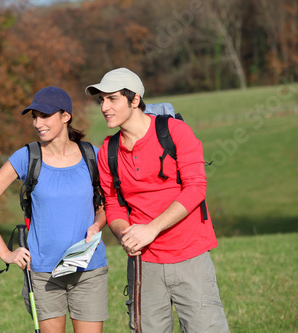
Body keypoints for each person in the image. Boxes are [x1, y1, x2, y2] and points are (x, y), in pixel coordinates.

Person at [85, 68, 230, 333]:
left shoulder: (176, 132)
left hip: (190, 256)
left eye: (112, 99)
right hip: (144, 263)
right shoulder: (109, 149)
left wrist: (151, 229)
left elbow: (196, 188)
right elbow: (114, 203)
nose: (104, 107)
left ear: (135, 100)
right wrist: (123, 234)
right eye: (101, 100)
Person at [0, 86, 109, 333]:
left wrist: (98, 224)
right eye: (34, 116)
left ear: (65, 116)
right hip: (44, 273)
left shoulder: (93, 156)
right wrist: (5, 253)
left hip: (89, 270)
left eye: (44, 116)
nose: (37, 123)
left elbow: (105, 207)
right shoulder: (27, 157)